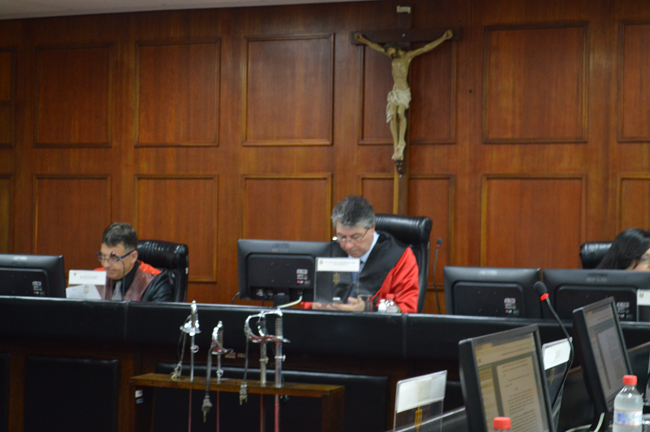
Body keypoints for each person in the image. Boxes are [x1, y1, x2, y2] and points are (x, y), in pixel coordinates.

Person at [354, 30, 453, 174]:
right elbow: (377, 47)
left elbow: (426, 48)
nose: (390, 54)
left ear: (396, 48)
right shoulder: (391, 57)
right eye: (388, 52)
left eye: (391, 51)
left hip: (403, 91)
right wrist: (363, 40)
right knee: (392, 116)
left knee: (401, 113)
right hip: (395, 91)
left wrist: (443, 38)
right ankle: (396, 145)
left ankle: (402, 141)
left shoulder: (407, 56)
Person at [312, 195, 420, 313]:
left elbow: (407, 308)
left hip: (375, 323)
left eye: (356, 237)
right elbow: (308, 298)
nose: (348, 245)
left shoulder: (399, 256)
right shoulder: (329, 252)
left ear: (372, 227)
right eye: (342, 237)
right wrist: (316, 305)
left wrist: (369, 309)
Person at [97, 222, 174, 301]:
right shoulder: (96, 277)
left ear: (133, 257)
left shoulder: (155, 282)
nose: (106, 265)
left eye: (114, 258)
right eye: (103, 256)